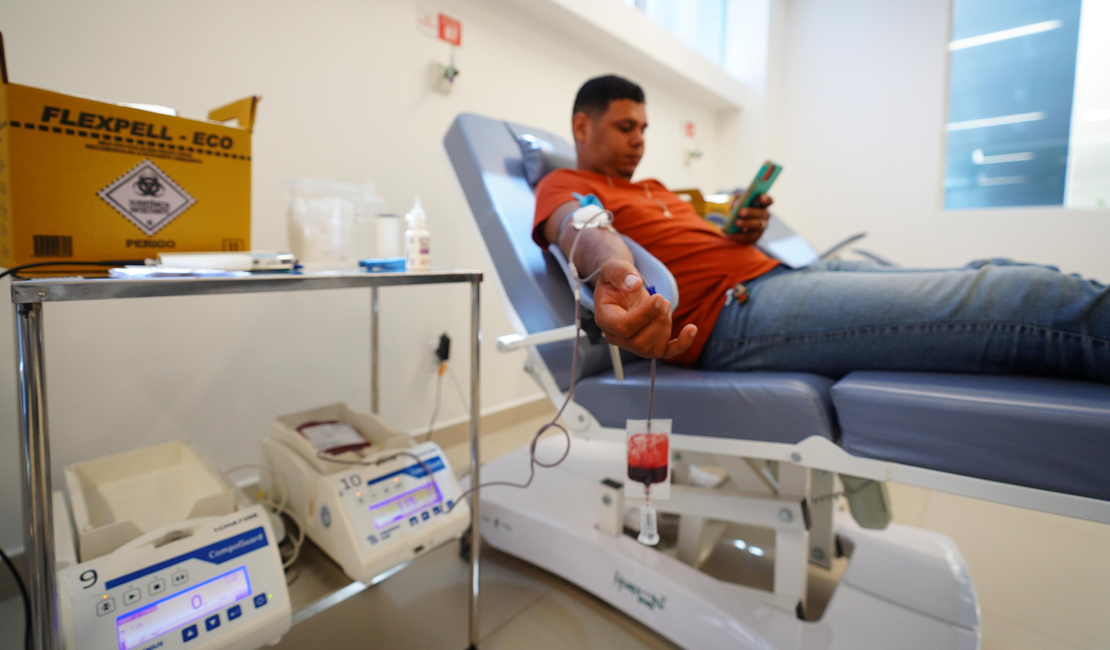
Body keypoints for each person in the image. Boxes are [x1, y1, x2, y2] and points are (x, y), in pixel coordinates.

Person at [533, 75, 1110, 382]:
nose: (639, 139)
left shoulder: (655, 187)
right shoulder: (566, 183)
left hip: (778, 274)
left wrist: (741, 228)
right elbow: (580, 226)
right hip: (732, 312)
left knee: (997, 270)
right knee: (1021, 297)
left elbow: (702, 239)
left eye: (644, 127)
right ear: (583, 126)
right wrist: (614, 272)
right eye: (625, 126)